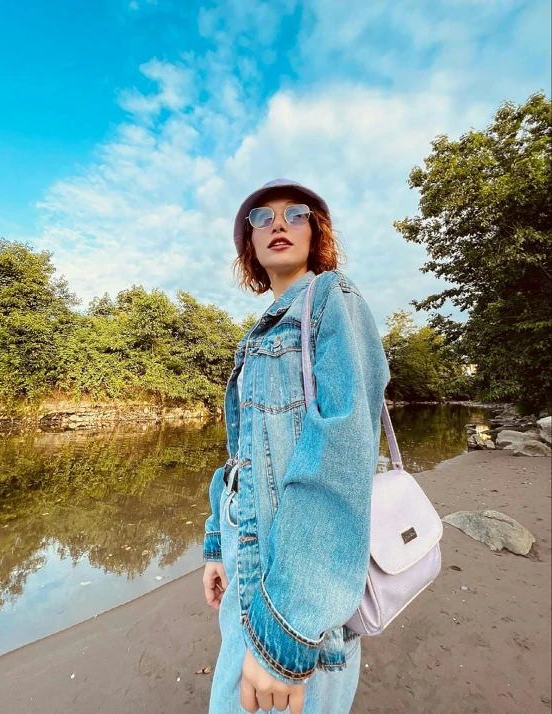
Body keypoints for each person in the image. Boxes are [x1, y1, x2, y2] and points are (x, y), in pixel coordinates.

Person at [202, 179, 389, 714]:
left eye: (296, 214)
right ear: (249, 244)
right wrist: (218, 546)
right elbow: (241, 458)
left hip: (292, 594)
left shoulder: (334, 299)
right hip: (249, 573)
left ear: (317, 231)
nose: (278, 223)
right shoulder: (262, 330)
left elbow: (340, 459)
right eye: (262, 217)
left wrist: (288, 633)